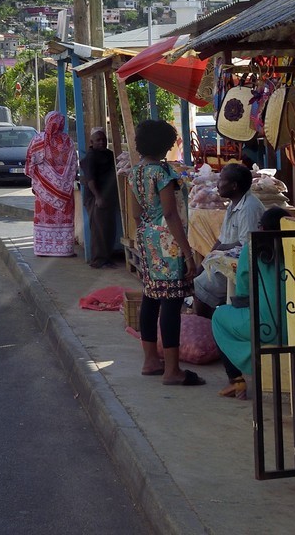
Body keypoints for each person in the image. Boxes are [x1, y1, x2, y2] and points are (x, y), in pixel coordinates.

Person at [128, 117, 202, 386]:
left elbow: (136, 215)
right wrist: (187, 252)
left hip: (146, 238)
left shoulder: (135, 173)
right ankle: (172, 370)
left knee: (151, 297)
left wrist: (146, 238)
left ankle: (150, 360)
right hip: (168, 241)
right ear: (164, 145)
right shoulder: (163, 173)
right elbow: (170, 213)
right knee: (171, 302)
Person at [212, 207, 295, 399]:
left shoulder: (252, 249)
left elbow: (243, 293)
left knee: (219, 316)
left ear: (262, 227)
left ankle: (236, 380)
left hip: (266, 328)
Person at [191, 162, 263, 315]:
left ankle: (209, 329)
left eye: (222, 180)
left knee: (200, 288)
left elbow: (247, 244)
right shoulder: (232, 206)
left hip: (243, 268)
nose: (218, 184)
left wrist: (221, 250)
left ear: (234, 186)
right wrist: (204, 263)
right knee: (198, 280)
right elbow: (221, 240)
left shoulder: (249, 208)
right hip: (227, 263)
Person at [25, 111, 79, 257]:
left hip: (43, 192)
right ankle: (64, 250)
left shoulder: (38, 141)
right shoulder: (68, 141)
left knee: (44, 218)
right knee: (63, 220)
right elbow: (74, 166)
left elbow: (30, 163)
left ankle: (43, 249)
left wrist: (36, 183)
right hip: (65, 194)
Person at [80, 128, 121, 269]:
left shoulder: (108, 155)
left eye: (103, 139)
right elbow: (90, 180)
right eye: (98, 140)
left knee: (108, 229)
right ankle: (98, 260)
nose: (101, 142)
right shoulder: (91, 157)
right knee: (99, 230)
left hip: (108, 196)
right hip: (96, 198)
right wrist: (98, 197)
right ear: (91, 142)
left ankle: (107, 258)